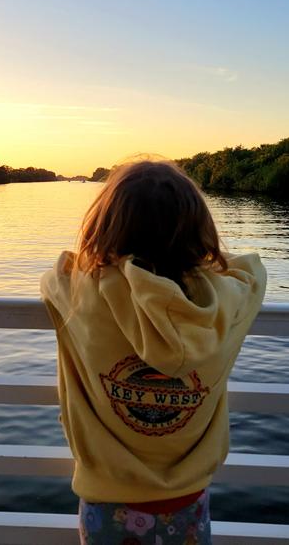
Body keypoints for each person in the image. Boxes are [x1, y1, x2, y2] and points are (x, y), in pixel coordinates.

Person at [40, 160, 267, 545]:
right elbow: (252, 270)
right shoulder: (227, 302)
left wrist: (118, 266)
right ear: (198, 230)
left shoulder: (82, 293)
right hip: (189, 503)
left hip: (107, 504)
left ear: (105, 227)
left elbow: (56, 273)